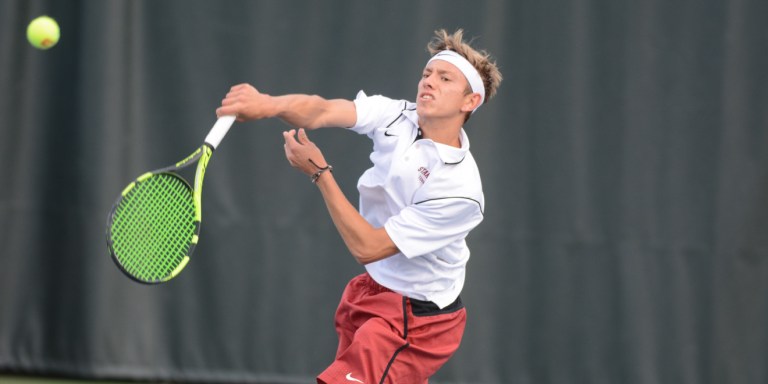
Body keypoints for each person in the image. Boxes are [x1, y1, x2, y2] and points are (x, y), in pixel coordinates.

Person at [216, 29, 502, 384]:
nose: (429, 82)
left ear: (469, 102)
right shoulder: (397, 115)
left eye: (445, 79)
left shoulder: (460, 190)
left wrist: (320, 173)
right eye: (427, 74)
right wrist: (268, 105)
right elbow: (321, 109)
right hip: (373, 293)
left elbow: (368, 247)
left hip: (419, 321)